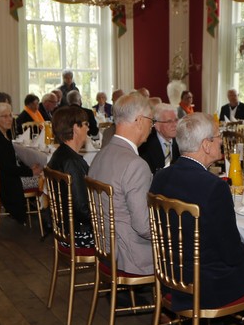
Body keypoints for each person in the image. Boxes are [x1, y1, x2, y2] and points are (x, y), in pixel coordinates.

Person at [149, 113, 244, 325]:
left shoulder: (160, 178)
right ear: (205, 144)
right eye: (217, 137)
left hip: (172, 277)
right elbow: (231, 254)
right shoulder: (214, 187)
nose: (221, 141)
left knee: (216, 258)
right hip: (205, 285)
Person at [88, 92, 155, 278]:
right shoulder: (135, 164)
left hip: (105, 247)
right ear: (139, 121)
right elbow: (143, 227)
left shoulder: (100, 155)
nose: (152, 126)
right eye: (151, 120)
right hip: (131, 257)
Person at [47, 106, 95, 249]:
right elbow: (82, 208)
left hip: (64, 229)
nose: (88, 128)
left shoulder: (60, 154)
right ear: (76, 128)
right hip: (78, 234)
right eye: (85, 124)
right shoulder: (71, 162)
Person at [0, 102, 38, 224]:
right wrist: (31, 171)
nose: (10, 119)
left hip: (0, 177)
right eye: (4, 116)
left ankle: (37, 208)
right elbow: (8, 167)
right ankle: (47, 217)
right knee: (46, 181)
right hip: (7, 182)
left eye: (10, 115)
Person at [139, 103, 181, 174]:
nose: (175, 125)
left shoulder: (182, 143)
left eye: (176, 120)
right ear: (157, 125)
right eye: (169, 121)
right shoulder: (145, 146)